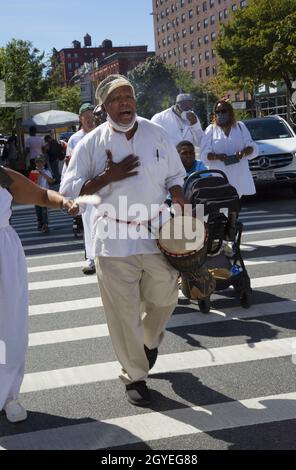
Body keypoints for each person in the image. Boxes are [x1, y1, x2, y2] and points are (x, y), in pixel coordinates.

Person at [61, 74, 187, 406]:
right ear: (104, 107)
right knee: (123, 311)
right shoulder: (91, 143)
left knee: (165, 297)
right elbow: (69, 190)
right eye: (117, 98)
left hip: (157, 232)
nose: (125, 103)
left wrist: (178, 196)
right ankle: (135, 375)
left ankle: (147, 342)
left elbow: (176, 175)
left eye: (129, 96)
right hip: (113, 237)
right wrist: (107, 176)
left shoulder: (156, 134)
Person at [0, 165, 77, 423]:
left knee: (10, 331)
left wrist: (64, 202)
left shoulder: (2, 176)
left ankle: (9, 396)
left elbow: (42, 196)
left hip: (4, 259)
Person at [60, 103, 97, 274]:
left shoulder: (103, 132)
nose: (90, 120)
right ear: (80, 119)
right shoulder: (75, 139)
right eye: (86, 118)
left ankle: (105, 257)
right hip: (85, 186)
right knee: (88, 222)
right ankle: (91, 259)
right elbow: (69, 165)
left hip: (106, 184)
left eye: (92, 117)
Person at [200, 99, 259, 198]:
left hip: (239, 176)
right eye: (217, 112)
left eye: (223, 111)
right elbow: (204, 155)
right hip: (219, 177)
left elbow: (252, 147)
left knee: (235, 207)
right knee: (222, 207)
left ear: (230, 112)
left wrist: (243, 153)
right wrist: (217, 157)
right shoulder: (211, 130)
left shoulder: (240, 127)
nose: (220, 114)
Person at [29, 156, 56, 233]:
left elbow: (51, 181)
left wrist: (43, 174)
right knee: (38, 210)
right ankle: (40, 222)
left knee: (44, 210)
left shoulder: (47, 171)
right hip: (36, 193)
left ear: (44, 162)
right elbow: (31, 184)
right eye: (37, 162)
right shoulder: (33, 172)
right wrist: (36, 177)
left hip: (45, 193)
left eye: (41, 161)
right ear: (35, 163)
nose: (39, 163)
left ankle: (45, 224)